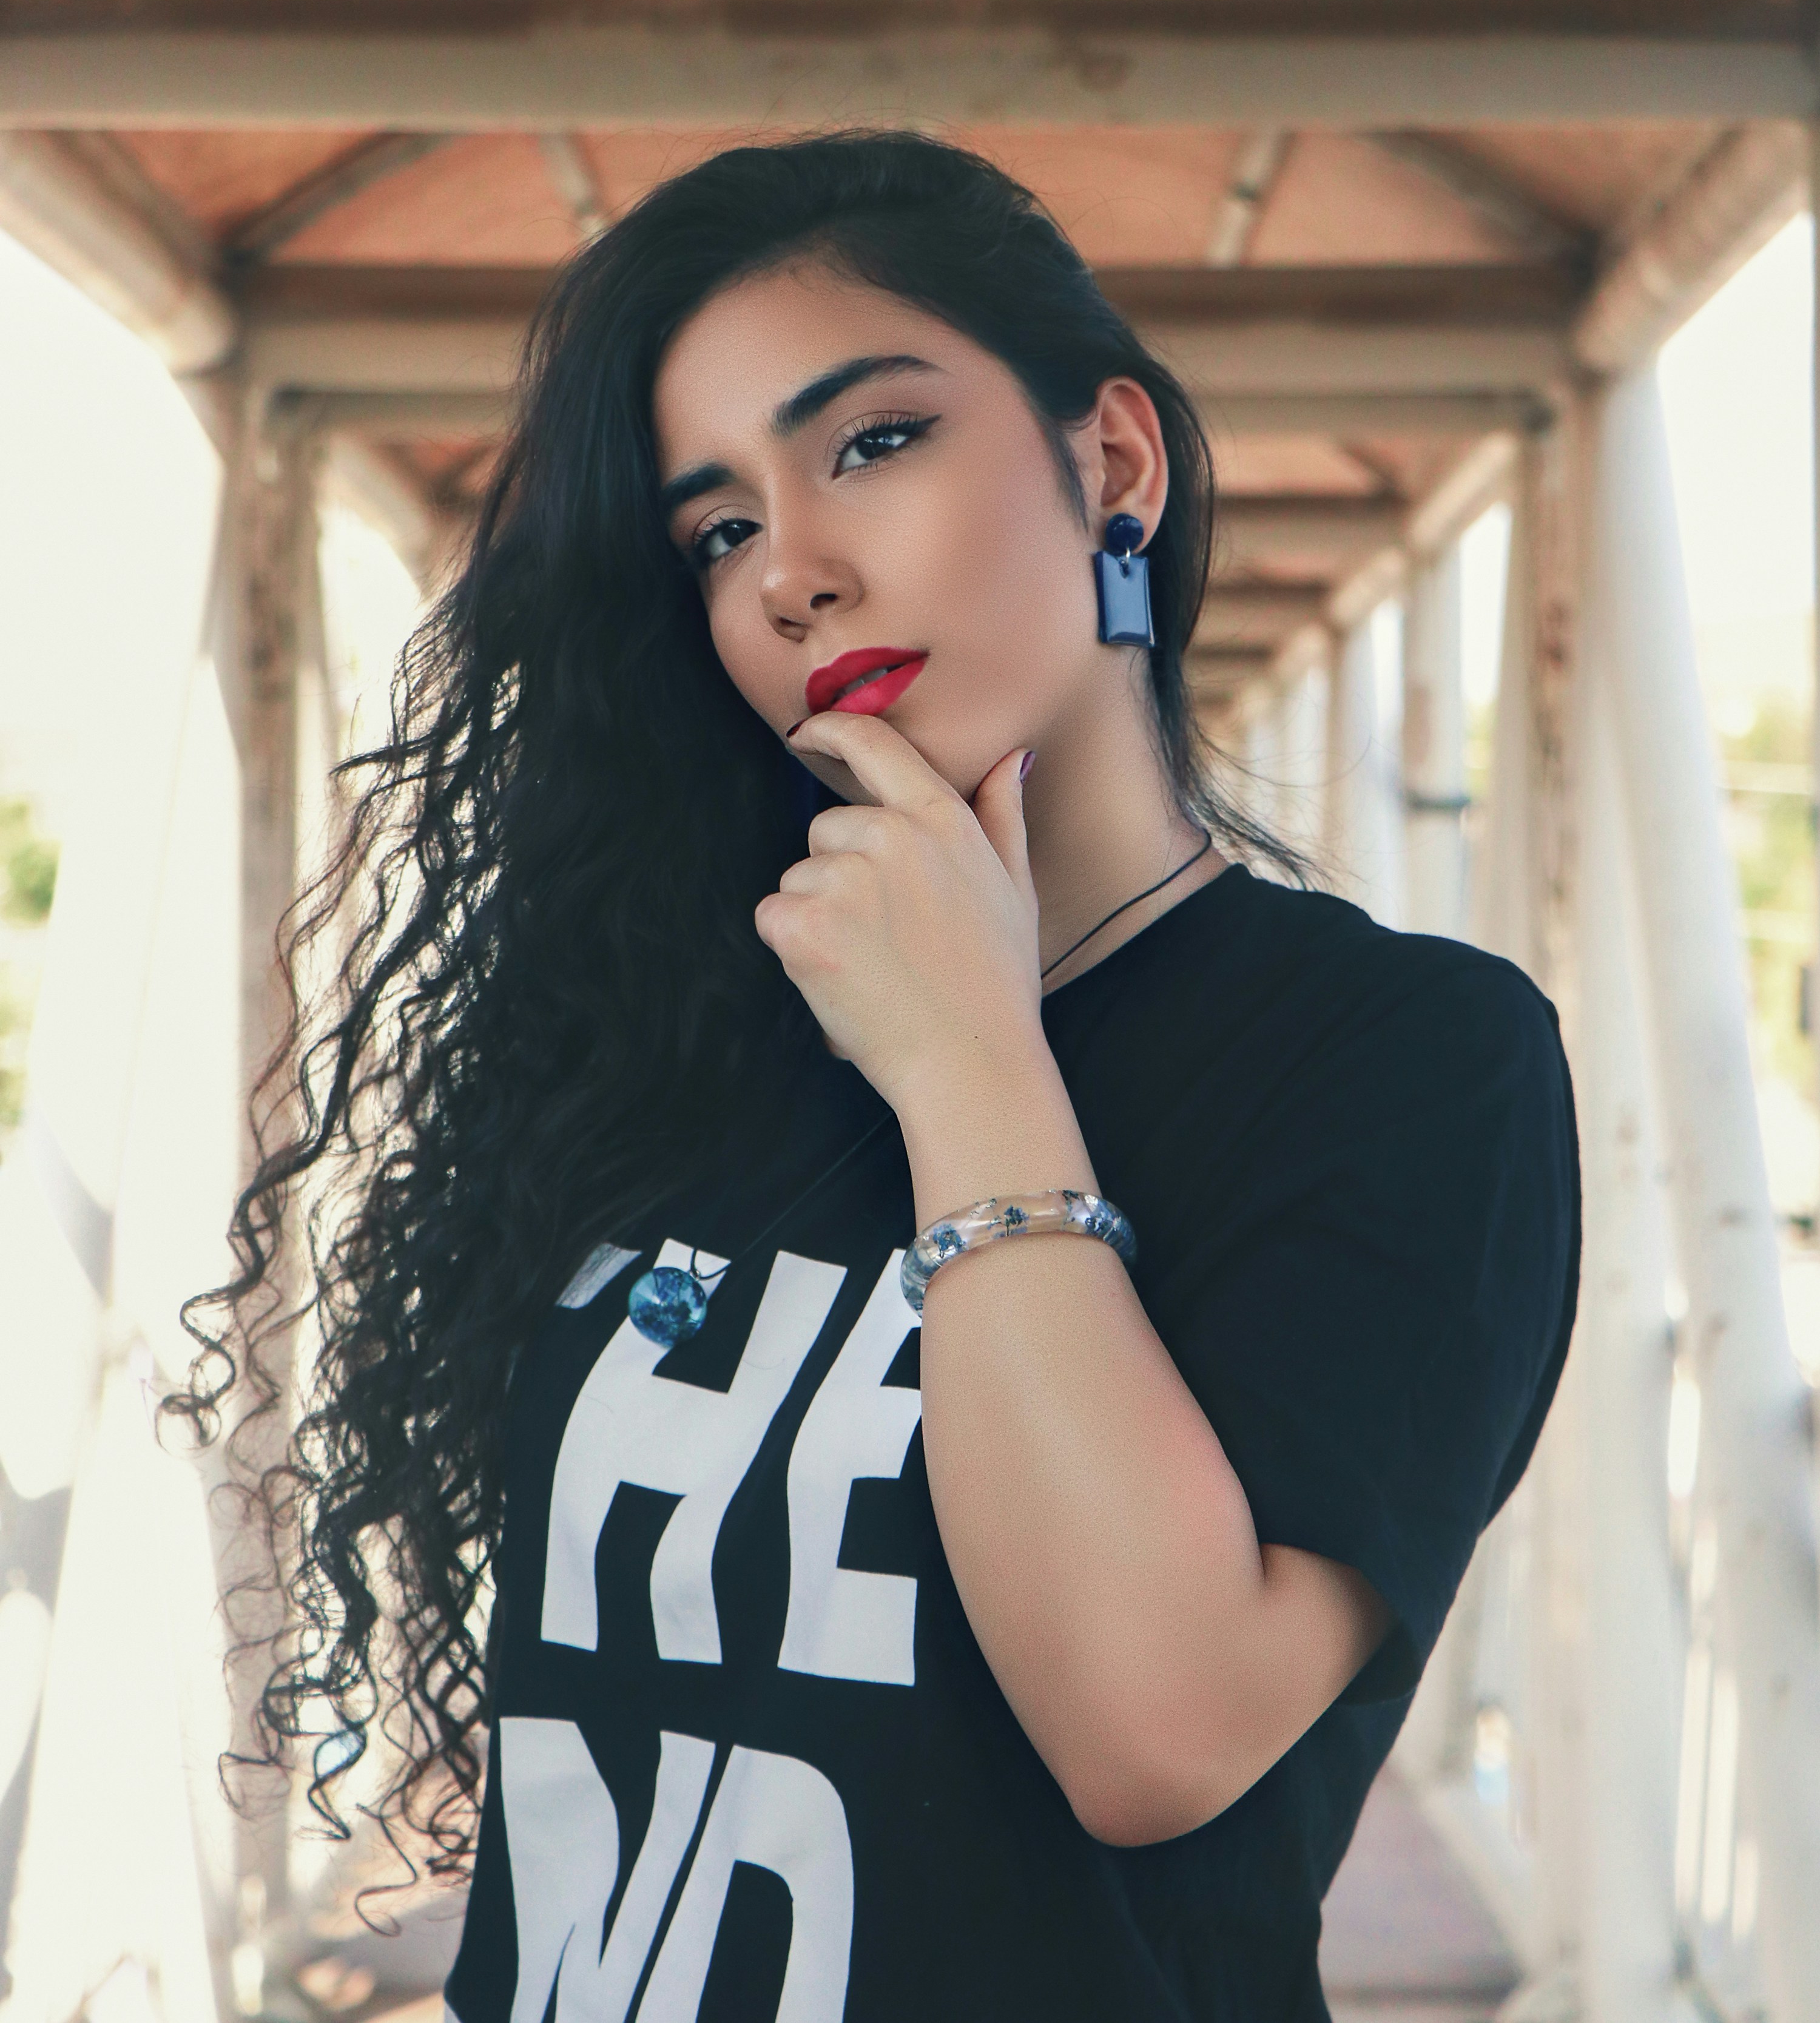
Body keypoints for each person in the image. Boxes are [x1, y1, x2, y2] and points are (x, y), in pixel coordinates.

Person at [170, 131, 1579, 2023]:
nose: (795, 576)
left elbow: (1156, 1729)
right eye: (720, 529)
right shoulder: (685, 1030)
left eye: (872, 443)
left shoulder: (1408, 1061)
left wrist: (969, 1054)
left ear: (1114, 464)